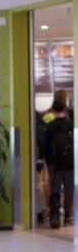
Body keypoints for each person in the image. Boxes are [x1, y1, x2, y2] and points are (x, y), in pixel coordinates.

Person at [45, 95, 74, 229]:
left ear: (53, 109)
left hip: (54, 163)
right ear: (64, 107)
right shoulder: (70, 124)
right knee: (68, 189)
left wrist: (47, 163)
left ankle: (55, 215)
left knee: (55, 189)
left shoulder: (49, 127)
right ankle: (68, 216)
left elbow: (45, 147)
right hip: (69, 163)